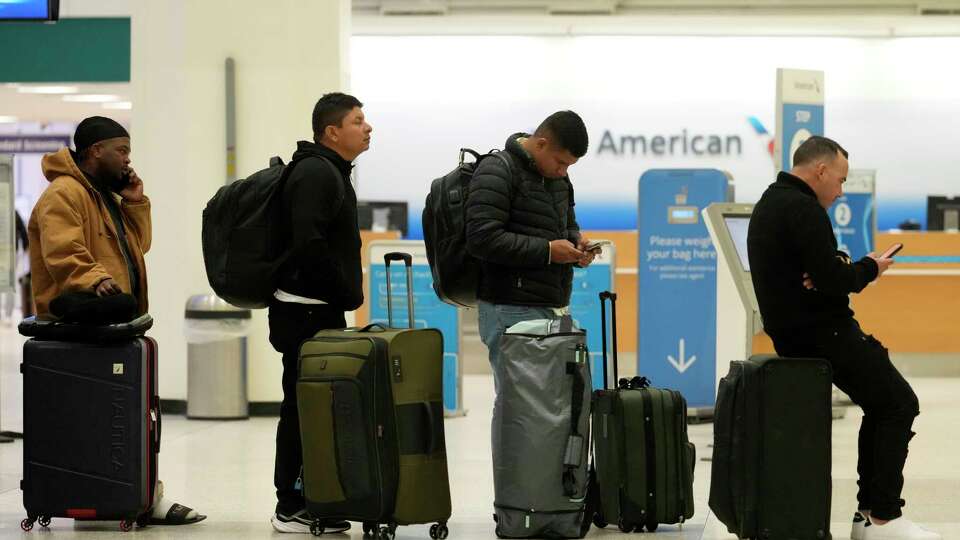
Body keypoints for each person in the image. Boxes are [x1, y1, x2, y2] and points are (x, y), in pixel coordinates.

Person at [747, 136, 939, 540]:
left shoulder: (770, 202)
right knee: (900, 402)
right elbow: (835, 280)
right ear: (820, 171)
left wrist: (833, 269)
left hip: (794, 333)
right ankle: (882, 517)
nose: (840, 191)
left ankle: (869, 516)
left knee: (881, 403)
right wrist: (869, 266)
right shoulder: (804, 209)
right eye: (841, 180)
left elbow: (825, 272)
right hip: (823, 333)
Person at [28, 116, 204, 525]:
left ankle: (134, 491)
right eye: (121, 151)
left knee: (130, 414)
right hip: (75, 312)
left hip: (111, 318)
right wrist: (95, 280)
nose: (128, 160)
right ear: (95, 151)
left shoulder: (100, 194)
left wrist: (135, 201)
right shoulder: (64, 194)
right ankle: (131, 492)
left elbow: (138, 245)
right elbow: (63, 251)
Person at [267, 93, 371, 534]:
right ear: (332, 131)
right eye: (358, 120)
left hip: (316, 310)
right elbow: (308, 244)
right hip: (303, 313)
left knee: (316, 407)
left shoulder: (332, 172)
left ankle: (315, 497)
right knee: (301, 407)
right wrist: (344, 291)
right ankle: (290, 504)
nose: (368, 127)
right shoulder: (315, 173)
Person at [465, 110, 597, 385]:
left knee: (547, 404)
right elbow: (481, 238)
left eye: (569, 166)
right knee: (520, 407)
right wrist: (549, 250)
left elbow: (566, 225)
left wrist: (577, 247)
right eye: (561, 162)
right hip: (509, 309)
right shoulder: (497, 169)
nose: (563, 171)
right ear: (541, 143)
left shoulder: (558, 179)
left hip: (552, 307)